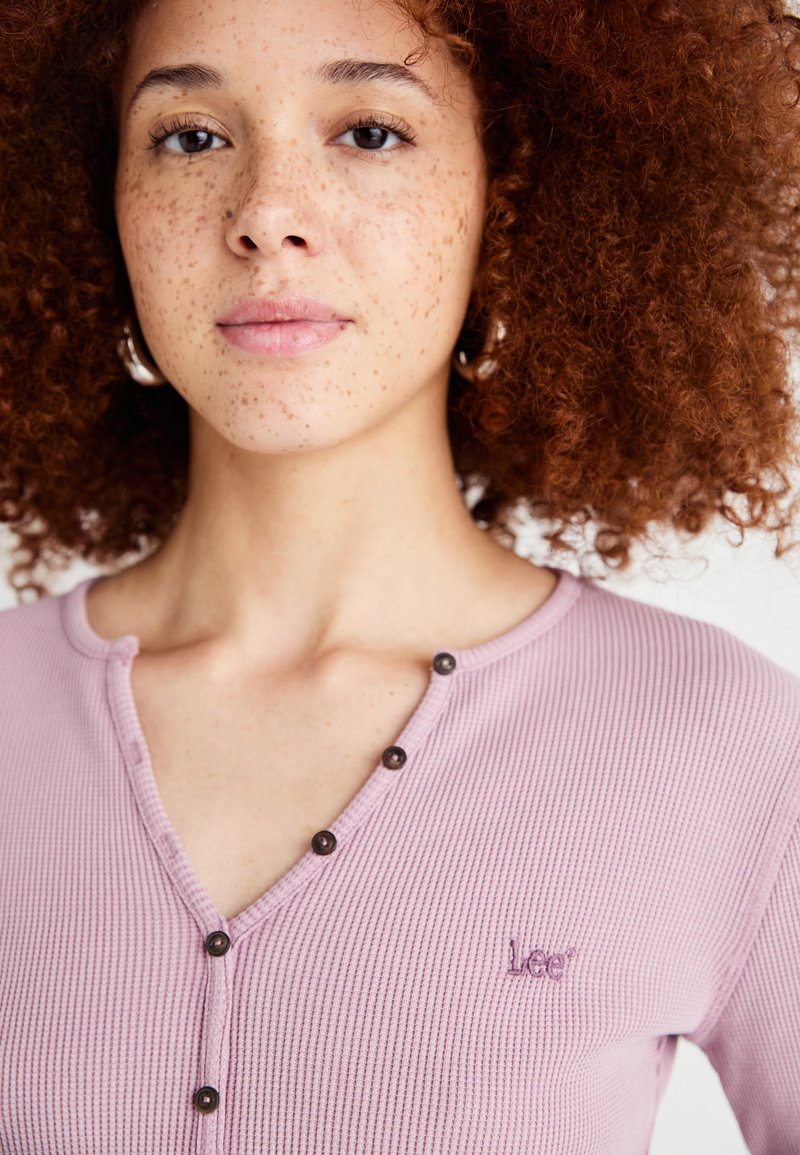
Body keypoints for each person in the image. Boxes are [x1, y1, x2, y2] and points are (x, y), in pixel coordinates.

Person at [1, 0, 799, 1151]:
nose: (266, 215)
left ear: (511, 198)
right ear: (97, 204)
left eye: (369, 131)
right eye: (190, 136)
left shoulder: (724, 749)